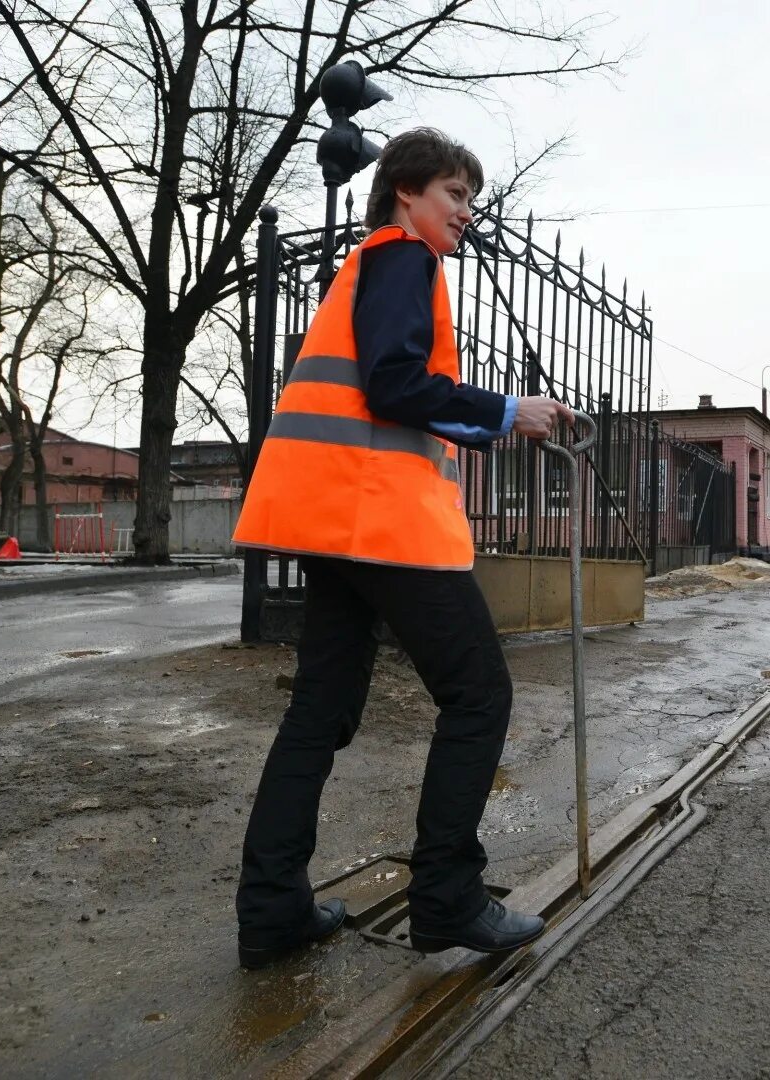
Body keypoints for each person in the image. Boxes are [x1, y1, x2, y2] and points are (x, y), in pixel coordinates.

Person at [231, 127, 573, 970]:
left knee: (321, 710)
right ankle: (448, 898)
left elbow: (377, 388)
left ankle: (273, 911)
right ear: (406, 193)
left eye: (470, 198)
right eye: (455, 194)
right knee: (479, 695)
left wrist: (490, 418)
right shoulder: (402, 260)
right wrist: (507, 411)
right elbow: (394, 384)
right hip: (379, 522)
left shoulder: (368, 267)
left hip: (332, 521)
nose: (465, 212)